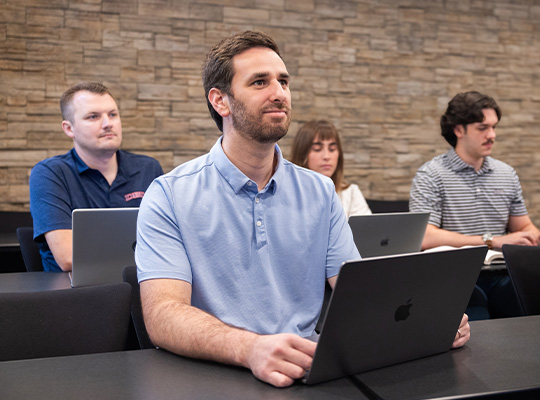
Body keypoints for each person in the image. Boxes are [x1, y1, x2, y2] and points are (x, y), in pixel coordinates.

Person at [136, 30, 470, 388]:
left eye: (283, 81)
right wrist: (249, 348)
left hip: (307, 371)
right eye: (260, 82)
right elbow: (162, 315)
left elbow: (357, 293)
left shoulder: (320, 191)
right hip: (216, 374)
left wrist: (429, 319)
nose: (279, 93)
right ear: (221, 101)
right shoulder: (169, 195)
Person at [410, 91, 540, 318]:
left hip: (502, 275)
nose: (492, 135)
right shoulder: (431, 174)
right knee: (477, 316)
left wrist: (530, 236)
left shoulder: (506, 174)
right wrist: (491, 241)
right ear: (458, 130)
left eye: (494, 127)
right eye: (483, 128)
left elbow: (525, 227)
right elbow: (424, 237)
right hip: (455, 278)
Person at [29, 82, 163, 272]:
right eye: (93, 117)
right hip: (78, 294)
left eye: (112, 114)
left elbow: (169, 238)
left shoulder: (148, 168)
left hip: (139, 286)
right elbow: (68, 257)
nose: (108, 123)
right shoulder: (50, 174)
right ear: (69, 129)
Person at [290, 120, 371, 218]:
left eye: (332, 149)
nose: (327, 156)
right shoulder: (287, 195)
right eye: (317, 149)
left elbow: (367, 232)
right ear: (302, 154)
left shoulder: (351, 193)